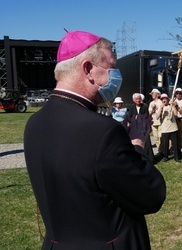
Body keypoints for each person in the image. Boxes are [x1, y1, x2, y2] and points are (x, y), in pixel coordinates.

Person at [23, 30, 166, 249]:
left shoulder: (34, 123)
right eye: (111, 68)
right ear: (89, 69)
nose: (115, 75)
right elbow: (150, 195)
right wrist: (136, 144)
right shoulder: (103, 131)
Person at [127, 93, 154, 162]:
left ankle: (149, 159)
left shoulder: (144, 106)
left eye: (139, 99)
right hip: (135, 128)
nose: (138, 100)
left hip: (144, 127)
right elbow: (129, 118)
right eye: (136, 99)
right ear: (133, 100)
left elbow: (147, 116)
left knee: (147, 142)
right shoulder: (131, 107)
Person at [157, 93, 180, 162]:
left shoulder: (171, 106)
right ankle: (165, 157)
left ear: (167, 99)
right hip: (165, 129)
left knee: (175, 144)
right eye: (162, 99)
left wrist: (173, 106)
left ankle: (176, 157)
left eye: (165, 99)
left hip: (173, 128)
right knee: (165, 144)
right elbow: (157, 117)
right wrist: (161, 109)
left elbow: (176, 114)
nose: (164, 100)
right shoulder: (160, 107)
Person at [172, 88, 182, 155]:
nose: (178, 94)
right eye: (177, 93)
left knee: (179, 136)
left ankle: (178, 150)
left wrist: (177, 106)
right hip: (172, 119)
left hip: (179, 119)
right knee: (172, 135)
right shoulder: (172, 100)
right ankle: (172, 149)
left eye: (180, 93)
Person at [148, 88, 163, 155]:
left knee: (160, 136)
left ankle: (163, 149)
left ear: (157, 94)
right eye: (152, 94)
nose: (152, 95)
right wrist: (153, 109)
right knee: (156, 137)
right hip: (153, 122)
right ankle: (159, 150)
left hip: (160, 122)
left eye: (153, 93)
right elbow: (149, 113)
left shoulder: (161, 102)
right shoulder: (151, 103)